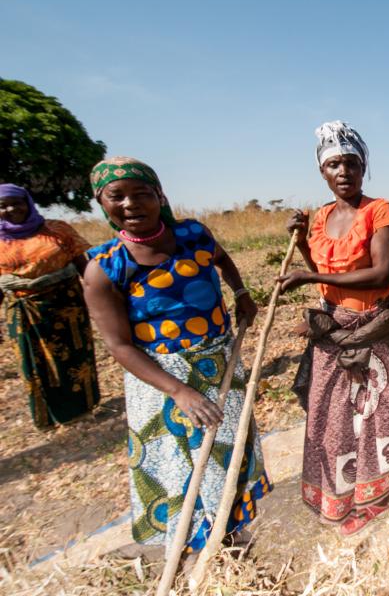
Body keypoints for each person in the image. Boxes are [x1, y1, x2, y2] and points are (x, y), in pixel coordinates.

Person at [83, 157, 269, 555]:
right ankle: (193, 554)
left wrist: (240, 293)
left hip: (219, 365)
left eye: (142, 193)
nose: (131, 204)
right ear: (103, 203)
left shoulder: (192, 235)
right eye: (118, 196)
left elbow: (221, 259)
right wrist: (179, 392)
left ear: (159, 196)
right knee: (183, 469)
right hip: (162, 383)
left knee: (227, 453)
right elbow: (120, 346)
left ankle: (234, 541)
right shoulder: (105, 267)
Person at [278, 121, 389, 536]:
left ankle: (380, 493)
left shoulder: (378, 210)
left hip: (373, 326)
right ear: (322, 172)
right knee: (331, 418)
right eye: (334, 165)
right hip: (334, 328)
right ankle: (339, 496)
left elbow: (380, 272)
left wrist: (309, 280)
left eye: (351, 163)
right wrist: (301, 243)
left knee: (376, 415)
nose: (343, 171)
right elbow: (323, 271)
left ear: (363, 168)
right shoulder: (321, 217)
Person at [0, 184, 100, 429]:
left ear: (28, 203)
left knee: (75, 358)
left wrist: (100, 299)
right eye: (3, 206)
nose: (11, 209)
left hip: (66, 304)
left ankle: (83, 409)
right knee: (35, 363)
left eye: (17, 202)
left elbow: (83, 264)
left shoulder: (56, 230)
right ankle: (49, 417)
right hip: (23, 310)